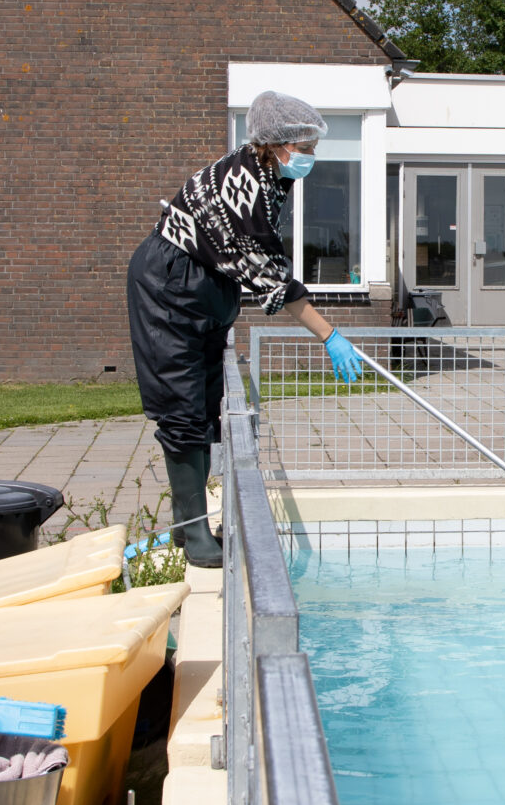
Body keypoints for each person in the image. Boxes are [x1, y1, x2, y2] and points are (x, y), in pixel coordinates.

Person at [127, 90, 365, 566]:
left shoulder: (269, 175)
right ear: (275, 144)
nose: (311, 157)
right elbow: (270, 275)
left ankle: (186, 524)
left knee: (203, 405)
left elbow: (248, 260)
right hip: (169, 288)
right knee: (182, 408)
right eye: (305, 147)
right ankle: (193, 535)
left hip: (201, 290)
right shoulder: (244, 185)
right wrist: (329, 335)